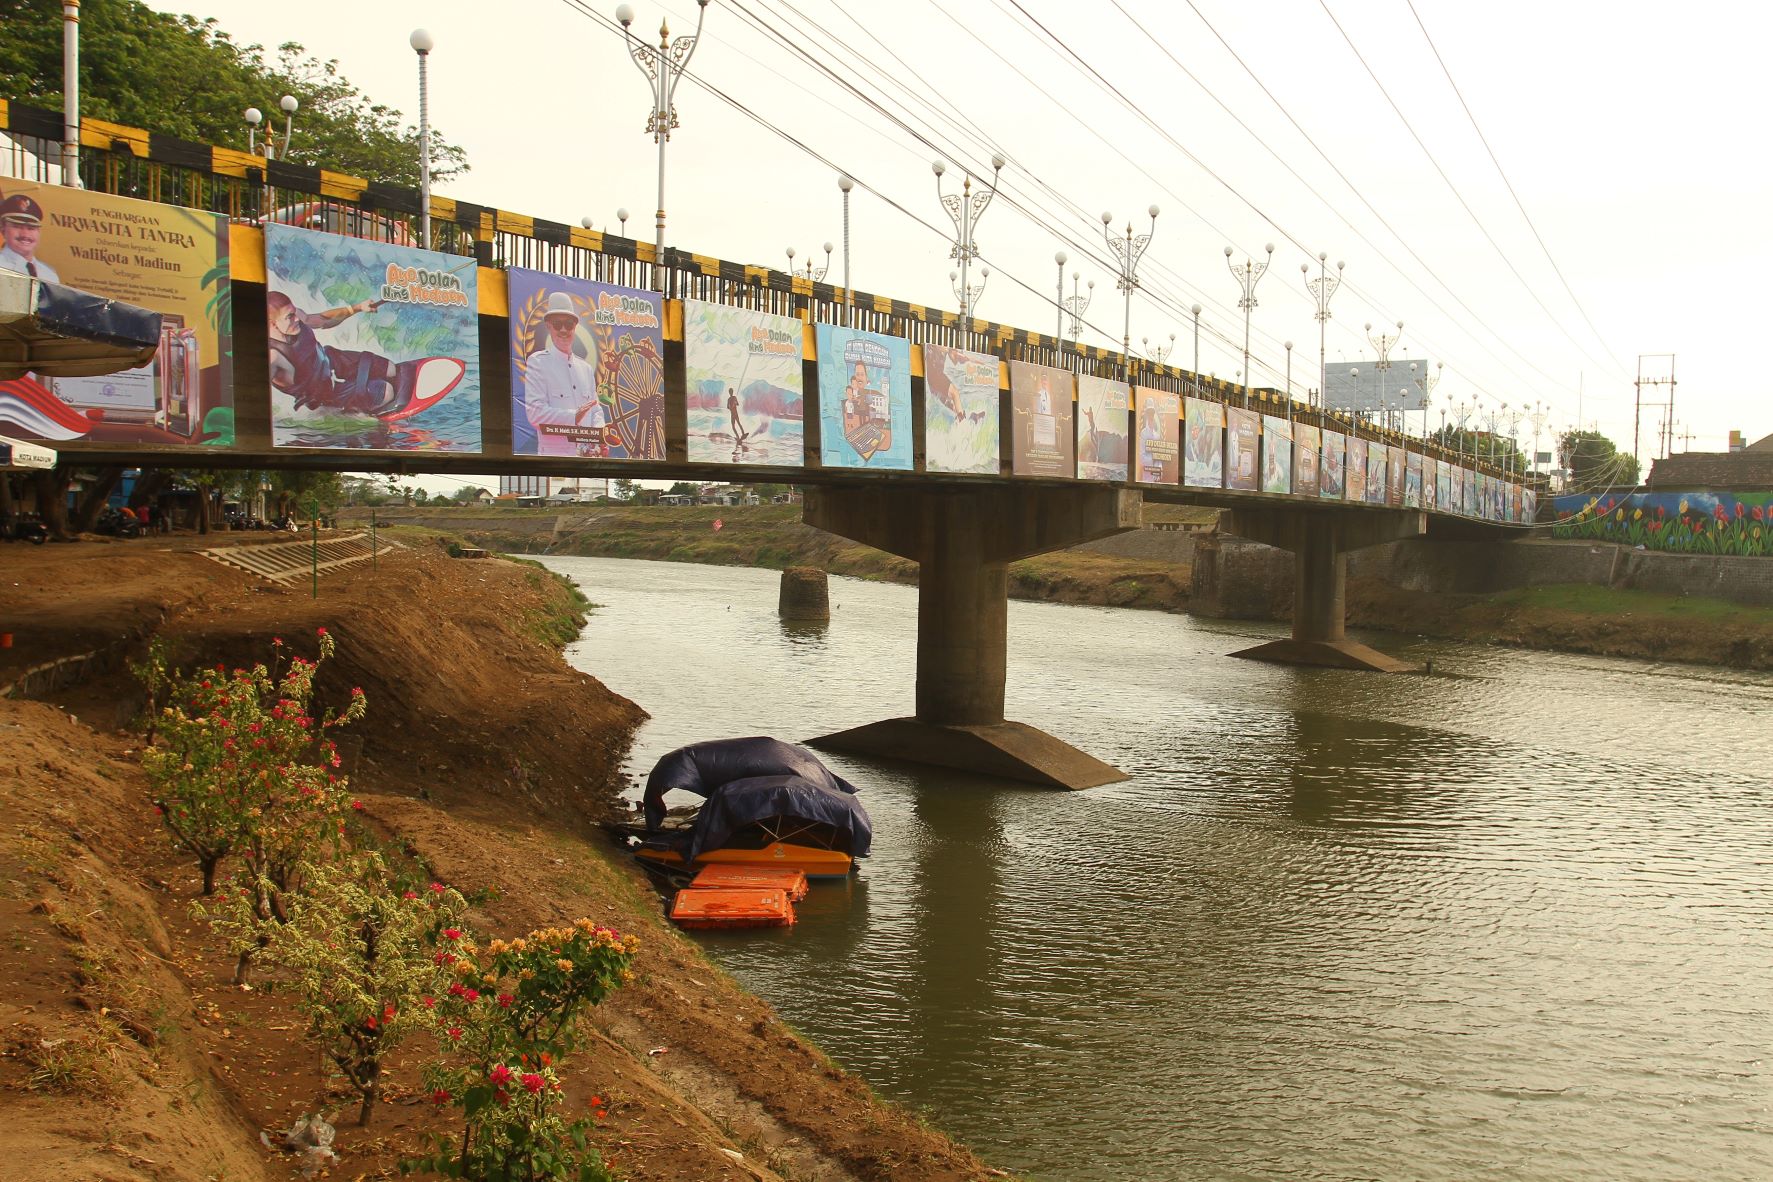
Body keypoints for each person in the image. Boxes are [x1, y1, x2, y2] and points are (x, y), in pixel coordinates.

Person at [266, 291, 399, 414]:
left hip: (330, 361)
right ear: (271, 324)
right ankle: (346, 414)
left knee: (391, 368)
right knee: (386, 392)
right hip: (325, 394)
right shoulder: (273, 357)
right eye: (290, 316)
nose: (296, 318)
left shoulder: (293, 316)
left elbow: (323, 320)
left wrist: (358, 307)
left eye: (294, 312)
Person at [522, 292, 605, 456]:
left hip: (587, 457)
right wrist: (574, 416)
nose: (563, 330)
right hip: (555, 460)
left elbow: (596, 411)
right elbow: (535, 414)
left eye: (568, 324)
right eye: (557, 324)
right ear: (548, 326)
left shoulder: (585, 368)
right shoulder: (538, 363)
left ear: (575, 326)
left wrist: (599, 437)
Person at [0, 195, 61, 283]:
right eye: (17, 227)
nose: (25, 234)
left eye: (31, 228)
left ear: (39, 232)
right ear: (3, 230)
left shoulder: (49, 276)